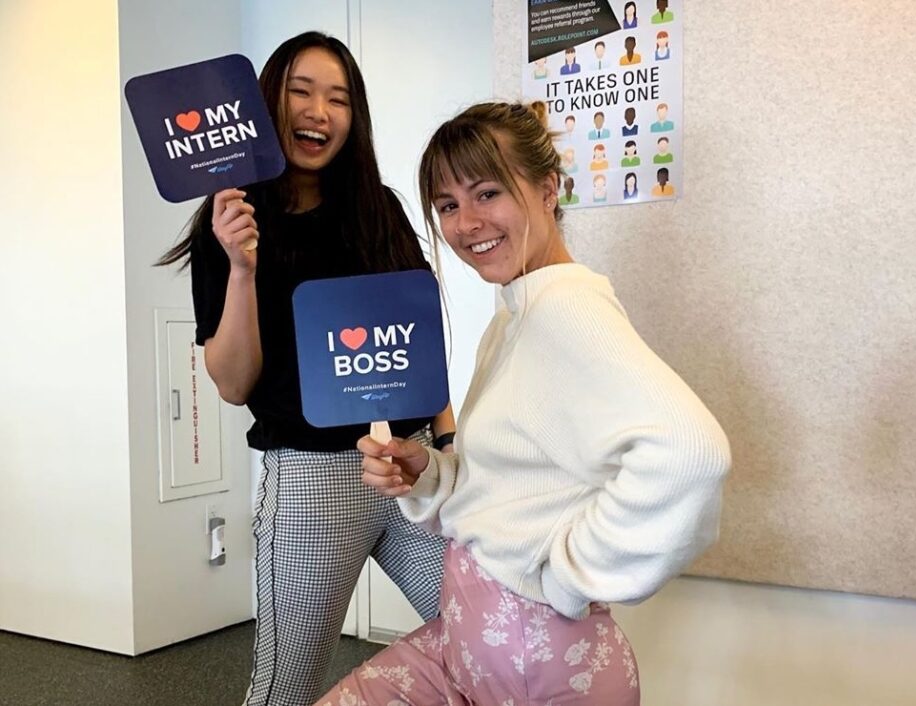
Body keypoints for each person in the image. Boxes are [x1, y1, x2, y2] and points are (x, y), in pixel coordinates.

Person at [314, 101, 730, 705]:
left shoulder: (567, 310)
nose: (466, 223)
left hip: (541, 669)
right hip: (467, 647)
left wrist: (566, 573)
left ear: (546, 189)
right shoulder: (514, 316)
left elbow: (691, 454)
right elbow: (518, 476)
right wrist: (427, 471)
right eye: (448, 205)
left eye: (487, 193)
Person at [157, 31, 452, 706]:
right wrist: (241, 266)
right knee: (285, 689)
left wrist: (448, 449)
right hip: (313, 478)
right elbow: (233, 385)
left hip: (413, 465)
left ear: (355, 118)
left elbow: (422, 339)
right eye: (301, 90)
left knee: (489, 638)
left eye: (339, 98)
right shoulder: (229, 222)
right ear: (268, 104)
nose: (320, 111)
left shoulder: (378, 206)